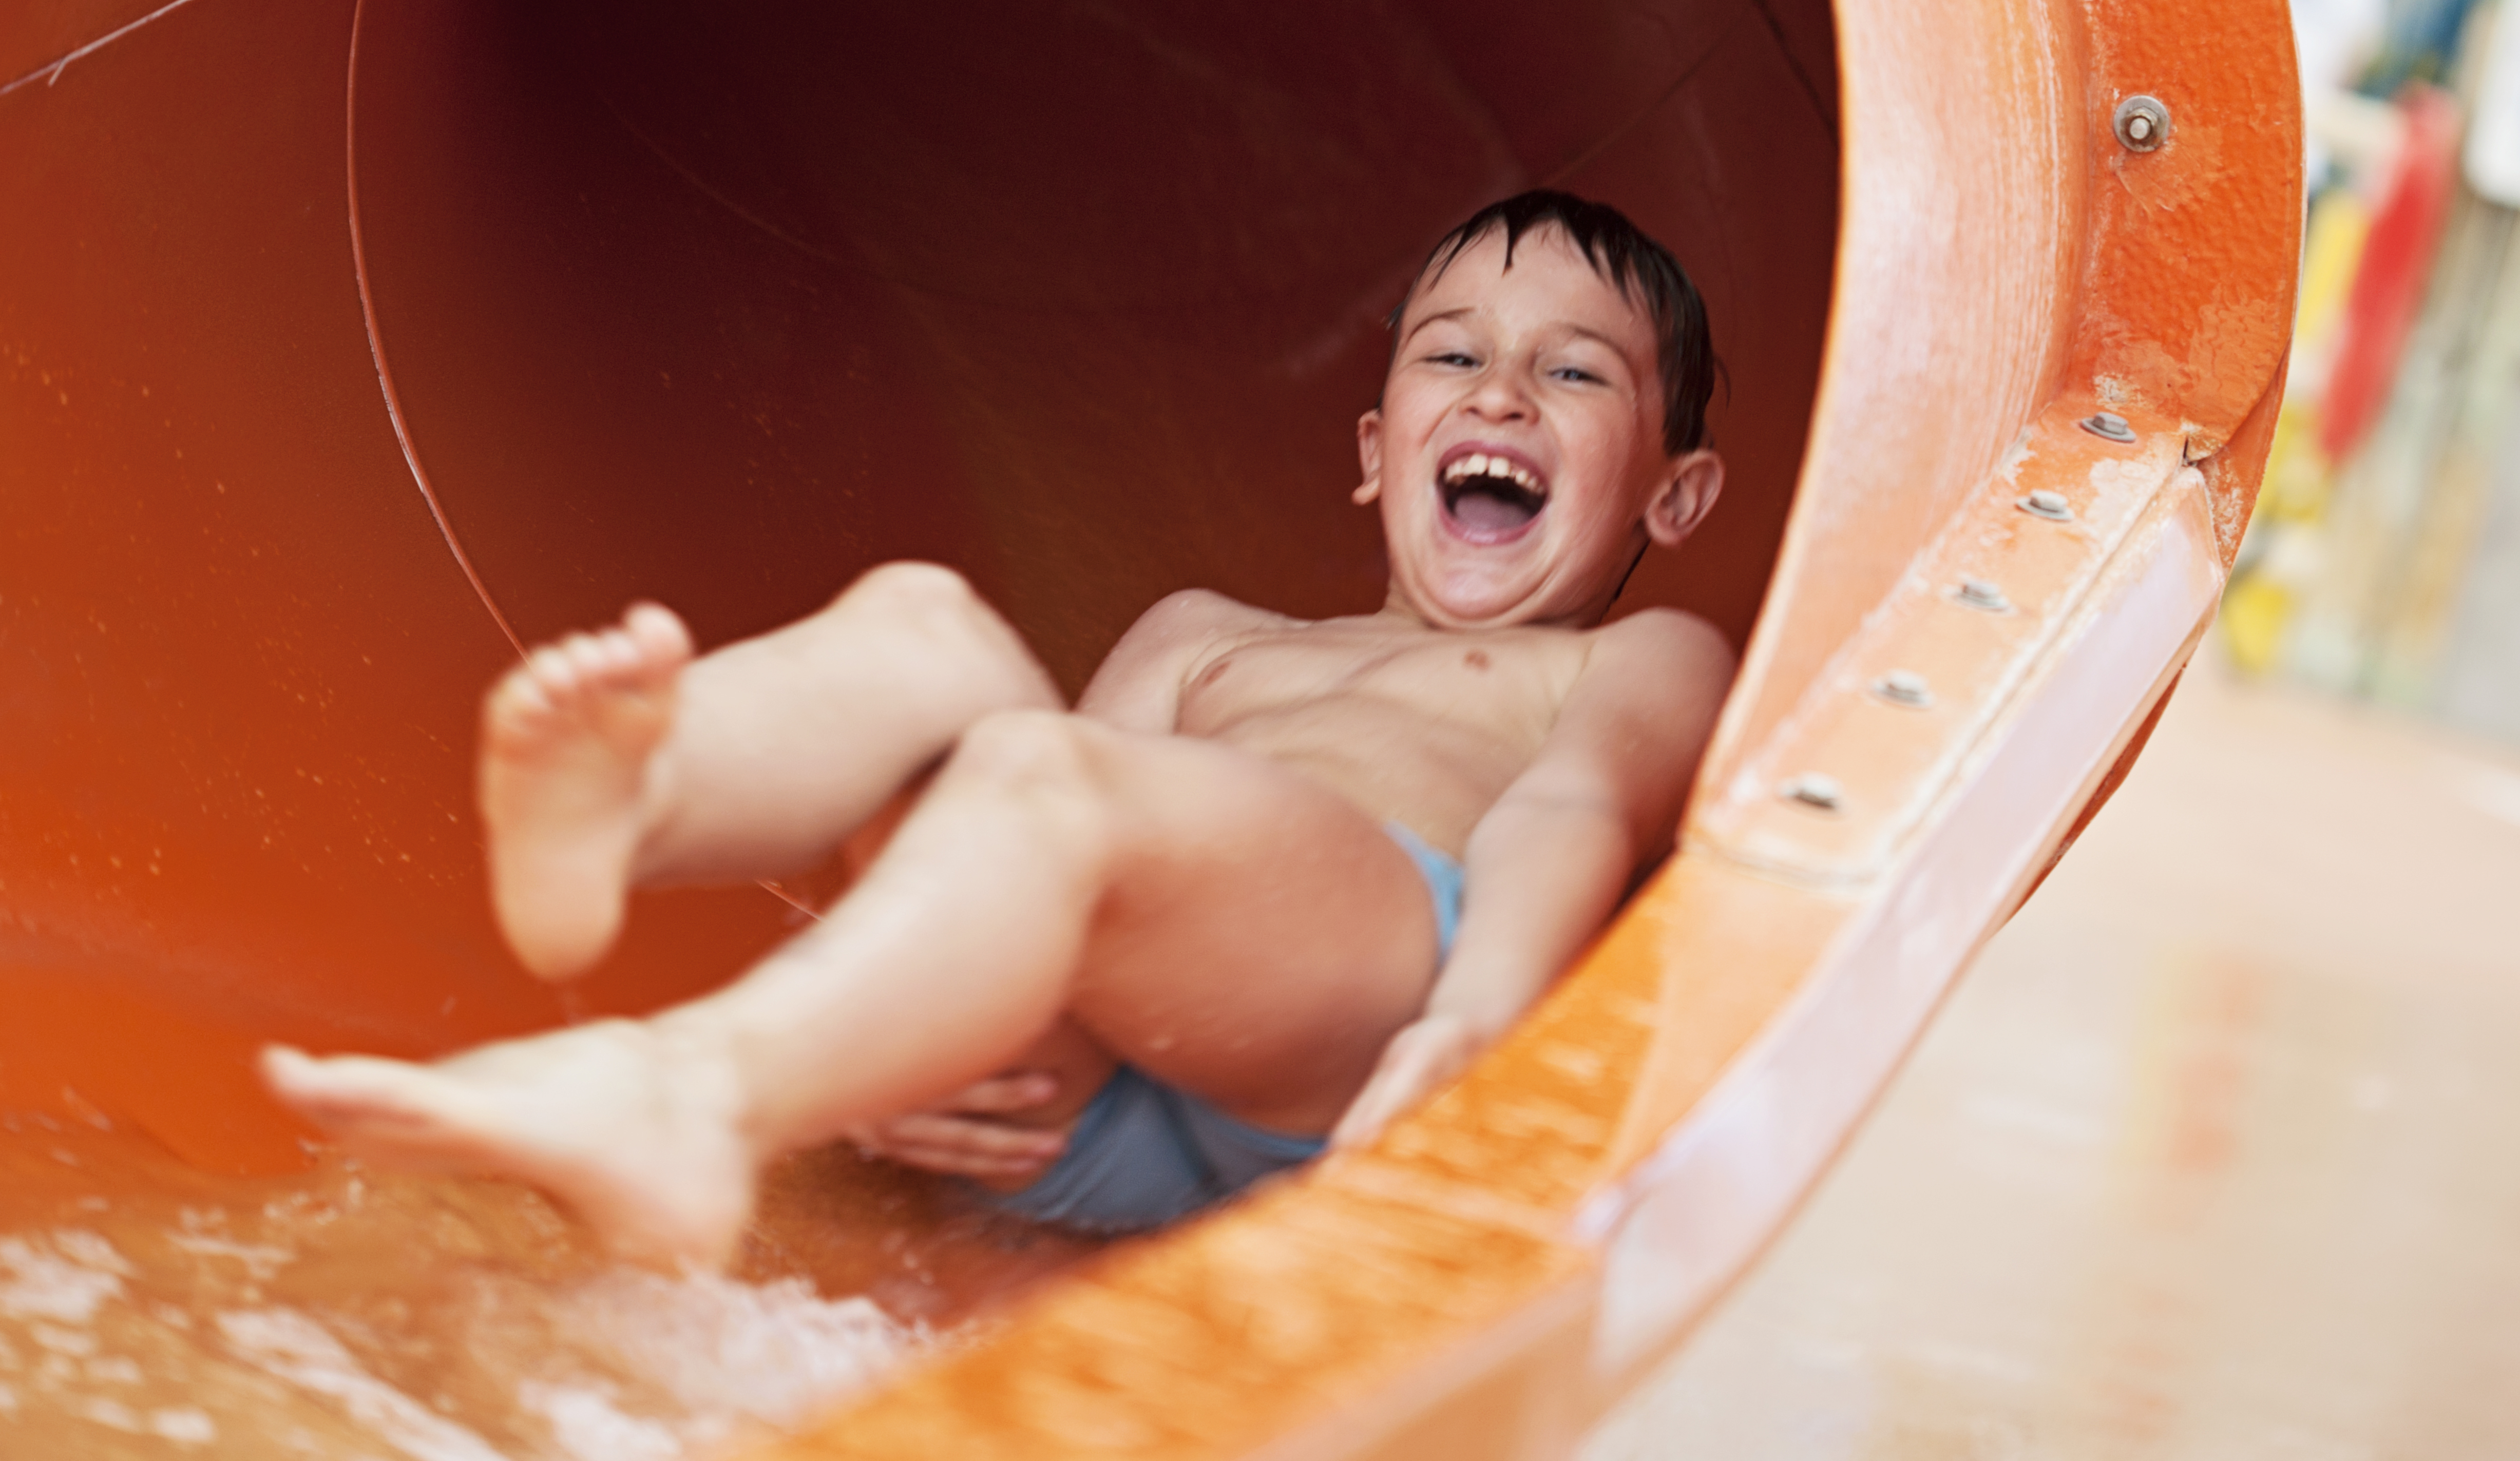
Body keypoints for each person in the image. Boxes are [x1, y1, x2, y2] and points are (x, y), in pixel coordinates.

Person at [258, 190, 1736, 1263]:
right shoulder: (1209, 637)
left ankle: (696, 1094)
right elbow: (1021, 851)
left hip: (1350, 1035)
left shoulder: (1626, 657)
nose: (1502, 394)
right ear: (1375, 452)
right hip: (1074, 1112)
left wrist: (1480, 1022)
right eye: (1453, 355)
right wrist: (898, 1034)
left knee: (1046, 772)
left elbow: (1574, 817)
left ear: (1672, 494)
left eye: (1574, 371)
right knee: (927, 628)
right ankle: (645, 808)